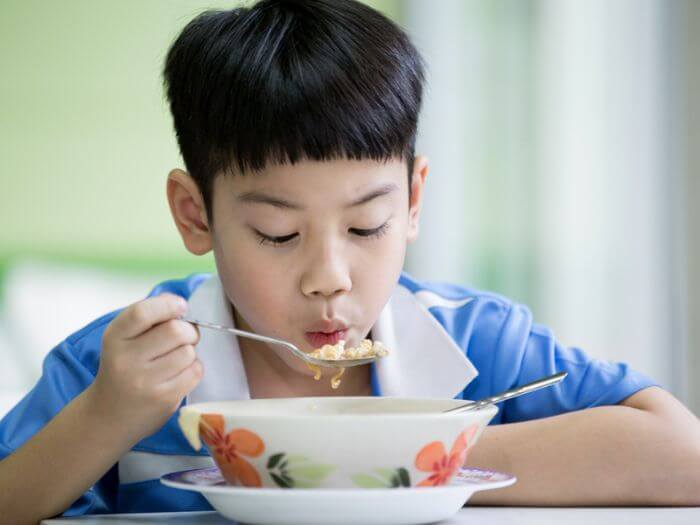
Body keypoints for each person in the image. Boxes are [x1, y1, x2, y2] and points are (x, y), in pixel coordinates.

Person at [1, 0, 699, 522]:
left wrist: (414, 457)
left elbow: (682, 454)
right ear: (195, 214)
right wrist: (103, 418)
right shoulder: (126, 370)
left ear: (415, 199)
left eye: (367, 224)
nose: (329, 276)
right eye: (277, 233)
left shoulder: (471, 339)